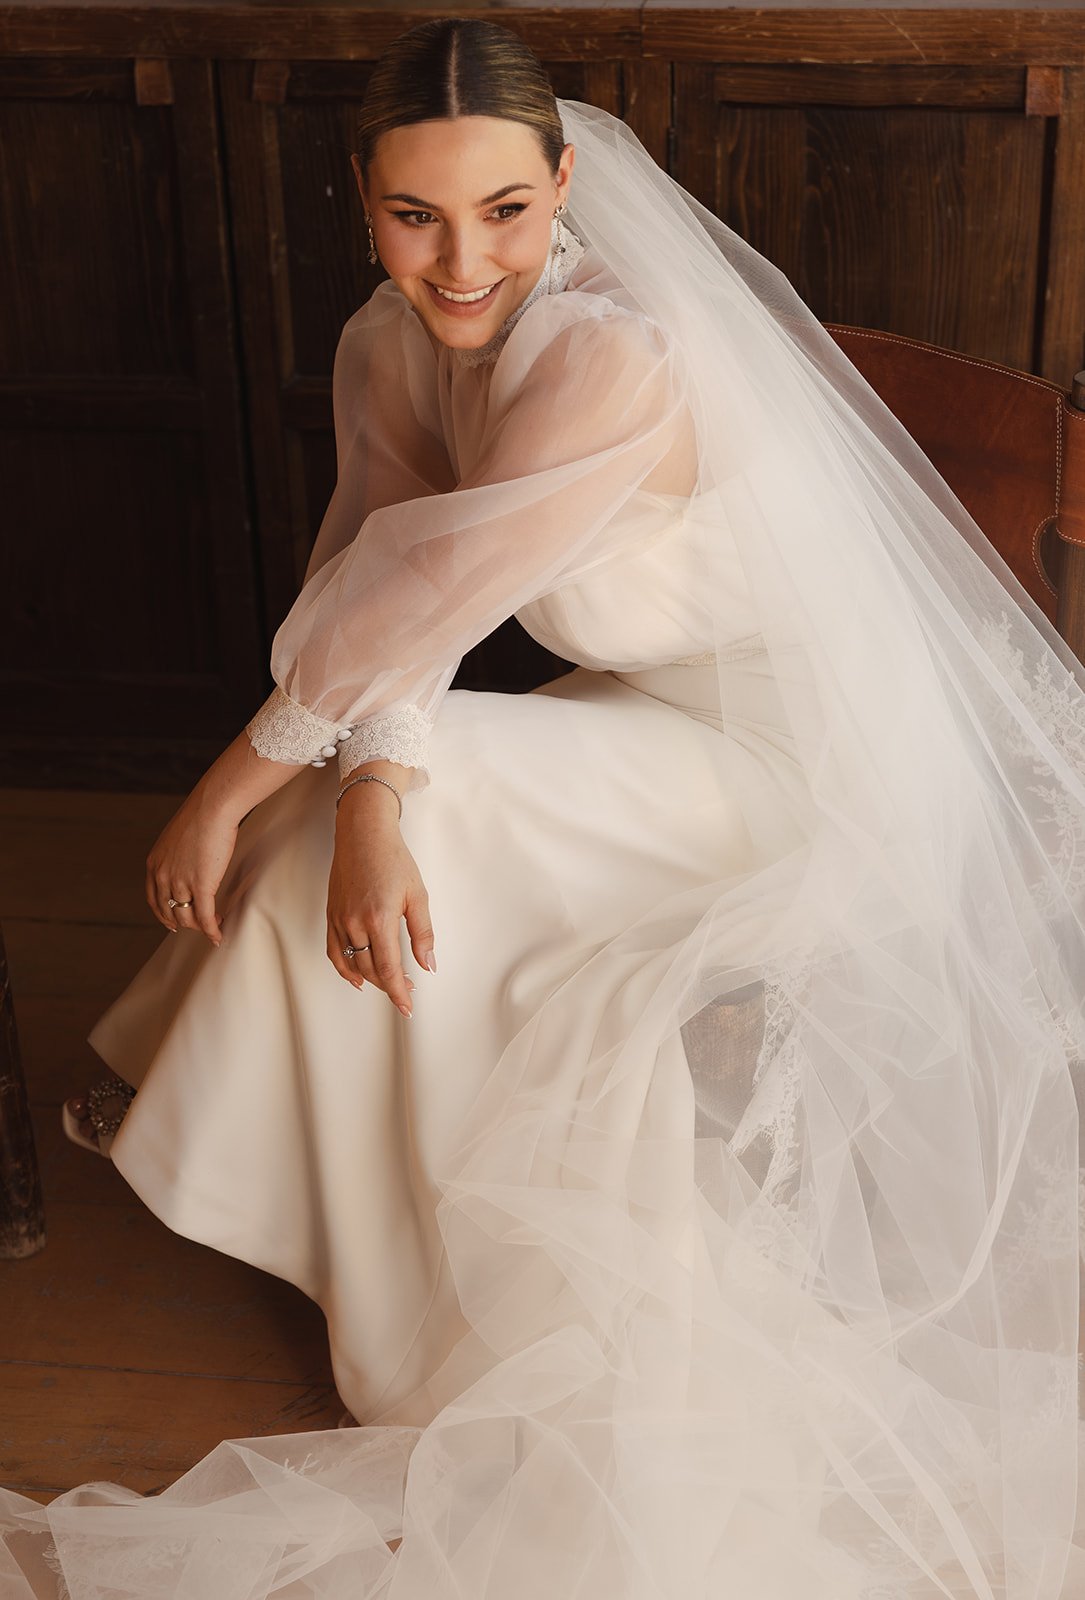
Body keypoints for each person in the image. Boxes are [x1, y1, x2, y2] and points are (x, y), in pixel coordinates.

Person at [4, 15, 1085, 1598]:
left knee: (389, 822)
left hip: (809, 766)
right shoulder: (386, 342)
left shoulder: (607, 357)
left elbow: (422, 603)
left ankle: (438, 1304)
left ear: (566, 184)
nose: (460, 263)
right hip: (658, 718)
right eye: (414, 215)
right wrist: (362, 790)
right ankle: (358, 1233)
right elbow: (373, 580)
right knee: (370, 818)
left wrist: (226, 795)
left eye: (505, 211)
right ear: (361, 201)